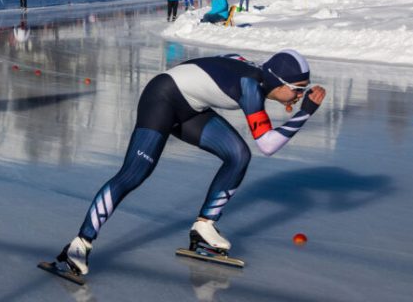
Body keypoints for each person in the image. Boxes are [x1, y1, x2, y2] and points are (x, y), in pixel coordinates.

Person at [49, 51, 327, 279]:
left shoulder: (257, 74)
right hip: (162, 98)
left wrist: (191, 79)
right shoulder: (251, 87)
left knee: (238, 155)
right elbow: (267, 145)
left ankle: (204, 228)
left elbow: (226, 58)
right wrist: (304, 113)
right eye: (298, 90)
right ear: (280, 83)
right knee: (134, 174)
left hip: (190, 106)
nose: (300, 96)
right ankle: (79, 245)